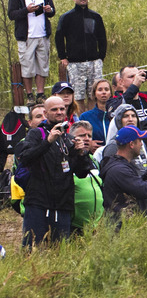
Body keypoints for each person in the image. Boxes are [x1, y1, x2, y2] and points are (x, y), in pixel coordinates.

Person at [14, 96, 92, 247]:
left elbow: (81, 173)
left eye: (62, 109)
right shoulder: (37, 134)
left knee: (60, 252)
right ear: (46, 113)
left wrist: (82, 153)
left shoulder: (68, 139)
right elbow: (25, 158)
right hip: (38, 203)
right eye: (54, 109)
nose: (59, 112)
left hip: (63, 205)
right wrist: (47, 141)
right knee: (33, 252)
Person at [7, 0, 55, 106]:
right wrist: (27, 10)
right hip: (26, 35)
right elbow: (11, 14)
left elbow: (53, 11)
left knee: (42, 65)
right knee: (27, 66)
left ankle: (40, 94)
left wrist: (48, 9)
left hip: (42, 34)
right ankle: (29, 96)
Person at [55, 0, 106, 114]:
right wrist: (63, 57)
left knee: (93, 94)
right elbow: (59, 37)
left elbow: (102, 37)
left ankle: (93, 119)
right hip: (75, 63)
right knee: (78, 96)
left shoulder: (95, 16)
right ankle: (81, 121)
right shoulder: (66, 17)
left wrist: (101, 57)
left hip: (94, 62)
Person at [99, 125, 147, 219]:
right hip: (122, 227)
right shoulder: (119, 169)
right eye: (140, 141)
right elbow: (143, 190)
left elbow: (134, 186)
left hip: (128, 224)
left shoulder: (120, 165)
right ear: (131, 144)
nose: (142, 144)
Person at [67, 121, 103, 233]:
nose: (86, 139)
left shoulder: (93, 159)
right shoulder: (66, 159)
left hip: (95, 226)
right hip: (72, 224)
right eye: (82, 135)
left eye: (89, 136)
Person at [78, 78, 112, 147]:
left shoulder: (117, 115)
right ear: (94, 93)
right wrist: (89, 143)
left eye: (106, 89)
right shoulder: (85, 117)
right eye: (100, 90)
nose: (104, 92)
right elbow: (80, 138)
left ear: (111, 93)